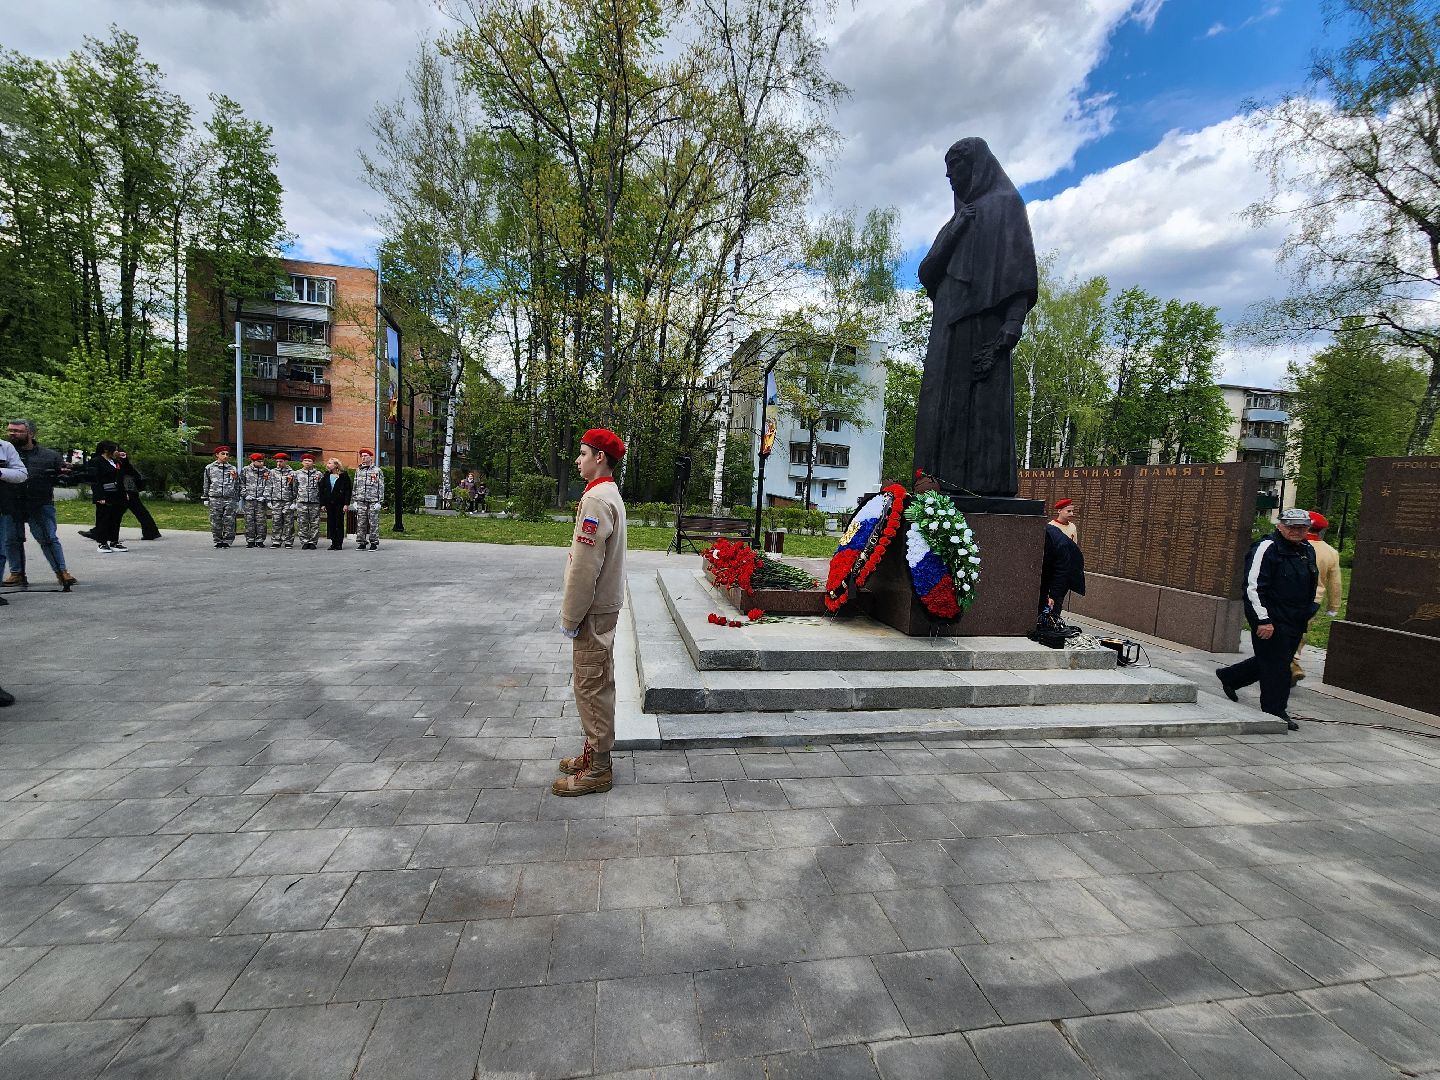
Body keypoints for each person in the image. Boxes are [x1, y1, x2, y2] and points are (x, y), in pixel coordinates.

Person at [913, 137, 1038, 497]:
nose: (950, 175)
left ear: (977, 166)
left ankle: (983, 488)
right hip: (946, 330)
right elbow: (927, 271)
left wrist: (1012, 324)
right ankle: (933, 484)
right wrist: (956, 228)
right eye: (948, 168)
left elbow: (1020, 275)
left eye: (956, 166)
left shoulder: (1006, 206)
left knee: (982, 413)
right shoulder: (959, 218)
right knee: (940, 412)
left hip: (984, 326)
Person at [553, 428, 629, 798]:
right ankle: (595, 752)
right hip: (603, 606)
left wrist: (570, 617)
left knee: (590, 685)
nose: (578, 460)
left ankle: (599, 768)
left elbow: (585, 567)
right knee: (597, 681)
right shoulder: (606, 494)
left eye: (583, 453)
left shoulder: (597, 500)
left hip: (593, 609)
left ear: (600, 457)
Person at [1217, 507, 1319, 731]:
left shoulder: (1306, 550)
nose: (1296, 531)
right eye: (1291, 527)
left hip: (1295, 618)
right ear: (1280, 526)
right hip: (1272, 618)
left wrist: (1309, 610)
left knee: (1275, 659)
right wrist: (1262, 620)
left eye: (1302, 527)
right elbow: (1253, 587)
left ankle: (1230, 676)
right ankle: (1275, 711)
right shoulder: (1266, 548)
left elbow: (1310, 582)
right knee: (1278, 667)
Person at [3, 420, 75, 589]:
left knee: (48, 538)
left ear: (31, 434)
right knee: (11, 539)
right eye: (10, 430)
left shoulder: (49, 455)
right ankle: (17, 573)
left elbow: (62, 477)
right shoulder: (5, 453)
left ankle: (61, 571)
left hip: (40, 503)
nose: (12, 434)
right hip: (10, 503)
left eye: (17, 431)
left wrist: (66, 473)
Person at [1292, 510, 1344, 684]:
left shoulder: (1292, 545)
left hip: (1289, 596)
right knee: (1301, 629)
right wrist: (1333, 607)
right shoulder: (1331, 552)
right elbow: (1335, 583)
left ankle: (1289, 663)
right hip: (1313, 600)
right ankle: (1294, 659)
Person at [1039, 498, 1085, 621]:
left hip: (1065, 567)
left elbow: (1074, 547)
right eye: (1068, 511)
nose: (1071, 514)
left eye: (1072, 511)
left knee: (1058, 599)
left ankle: (1054, 619)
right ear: (1060, 511)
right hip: (1053, 568)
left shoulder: (1073, 527)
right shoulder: (1051, 527)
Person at [0, 437, 29, 602]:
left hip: (1, 506)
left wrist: (1, 472)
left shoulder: (5, 446)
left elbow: (21, 474)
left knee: (0, 552)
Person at [114, 450, 161, 541]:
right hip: (130, 490)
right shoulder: (122, 463)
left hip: (127, 490)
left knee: (115, 513)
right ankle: (151, 531)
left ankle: (100, 532)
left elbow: (124, 475)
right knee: (140, 511)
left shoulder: (119, 464)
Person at [90, 441, 127, 552]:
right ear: (106, 450)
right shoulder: (96, 461)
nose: (117, 451)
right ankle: (102, 542)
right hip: (105, 493)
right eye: (115, 449)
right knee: (103, 518)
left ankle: (114, 541)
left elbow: (122, 476)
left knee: (116, 518)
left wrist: (125, 493)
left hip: (117, 494)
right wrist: (99, 496)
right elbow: (95, 480)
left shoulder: (115, 462)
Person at [202, 446, 240, 548]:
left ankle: (227, 541)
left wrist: (236, 497)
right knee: (215, 520)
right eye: (223, 454)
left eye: (227, 454)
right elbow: (206, 483)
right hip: (215, 497)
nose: (225, 456)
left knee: (230, 520)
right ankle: (218, 540)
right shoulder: (209, 468)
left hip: (229, 497)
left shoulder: (232, 468)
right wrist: (205, 497)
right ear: (217, 455)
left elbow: (237, 484)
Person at [352, 448, 384, 550]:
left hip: (373, 500)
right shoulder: (358, 470)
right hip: (361, 500)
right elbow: (355, 485)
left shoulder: (377, 470)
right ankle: (362, 542)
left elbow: (381, 486)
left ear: (371, 457)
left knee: (373, 523)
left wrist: (380, 501)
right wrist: (354, 500)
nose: (363, 458)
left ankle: (374, 542)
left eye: (365, 456)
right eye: (362, 456)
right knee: (361, 522)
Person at [319, 457, 353, 550]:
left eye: (330, 463)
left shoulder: (343, 476)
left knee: (339, 522)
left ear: (336, 465)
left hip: (340, 503)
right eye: (328, 463)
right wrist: (322, 504)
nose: (328, 465)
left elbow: (347, 491)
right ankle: (333, 542)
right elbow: (321, 490)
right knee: (331, 523)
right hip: (329, 503)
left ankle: (339, 543)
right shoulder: (326, 476)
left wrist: (346, 504)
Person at [266, 451, 297, 548]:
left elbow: (295, 488)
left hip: (288, 500)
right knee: (276, 521)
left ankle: (288, 541)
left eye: (281, 461)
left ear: (286, 461)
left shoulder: (292, 473)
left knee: (289, 522)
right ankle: (276, 540)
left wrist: (295, 501)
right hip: (276, 500)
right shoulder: (272, 472)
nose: (278, 463)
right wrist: (268, 500)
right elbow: (269, 486)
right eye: (277, 461)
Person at [294, 454, 324, 549]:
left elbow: (322, 488)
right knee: (302, 522)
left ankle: (313, 542)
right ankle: (304, 541)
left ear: (313, 463)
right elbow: (294, 487)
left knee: (315, 523)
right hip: (301, 502)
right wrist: (295, 500)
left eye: (309, 461)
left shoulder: (318, 474)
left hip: (315, 502)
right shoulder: (297, 473)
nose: (307, 462)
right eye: (305, 460)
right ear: (302, 462)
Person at [240, 453, 270, 548]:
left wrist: (265, 496)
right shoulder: (246, 470)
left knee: (261, 521)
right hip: (249, 500)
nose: (261, 463)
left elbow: (269, 485)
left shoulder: (266, 471)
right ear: (253, 461)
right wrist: (245, 495)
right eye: (259, 461)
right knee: (249, 520)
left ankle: (260, 540)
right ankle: (250, 540)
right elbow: (241, 483)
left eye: (262, 461)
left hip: (261, 500)